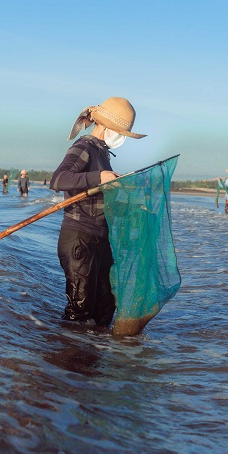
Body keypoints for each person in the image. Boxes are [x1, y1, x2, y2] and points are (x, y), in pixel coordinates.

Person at [50, 97, 146, 326]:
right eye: (120, 131)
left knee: (106, 303)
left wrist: (131, 206)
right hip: (79, 238)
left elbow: (101, 198)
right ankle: (69, 357)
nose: (121, 137)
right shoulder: (84, 147)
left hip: (101, 239)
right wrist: (98, 176)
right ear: (104, 126)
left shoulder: (103, 153)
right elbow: (59, 179)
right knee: (80, 311)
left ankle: (96, 354)